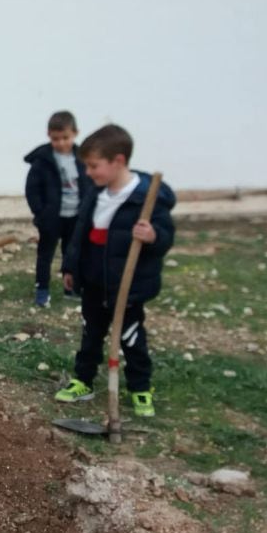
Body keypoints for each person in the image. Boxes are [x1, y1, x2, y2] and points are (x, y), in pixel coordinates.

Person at [56, 124, 176, 418]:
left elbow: (165, 236)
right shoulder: (96, 194)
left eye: (94, 166)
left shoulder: (146, 199)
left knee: (132, 339)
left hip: (127, 285)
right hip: (95, 282)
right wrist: (71, 267)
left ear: (118, 161)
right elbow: (81, 234)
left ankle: (140, 388)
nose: (88, 172)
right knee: (90, 334)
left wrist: (153, 236)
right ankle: (83, 380)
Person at [24, 110, 89, 307]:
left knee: (72, 252)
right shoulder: (42, 161)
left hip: (75, 216)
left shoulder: (83, 158)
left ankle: (71, 286)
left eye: (65, 138)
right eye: (55, 138)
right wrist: (41, 214)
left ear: (75, 133)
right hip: (51, 218)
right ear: (49, 135)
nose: (61, 143)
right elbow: (32, 190)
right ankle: (42, 289)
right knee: (45, 255)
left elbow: (89, 185)